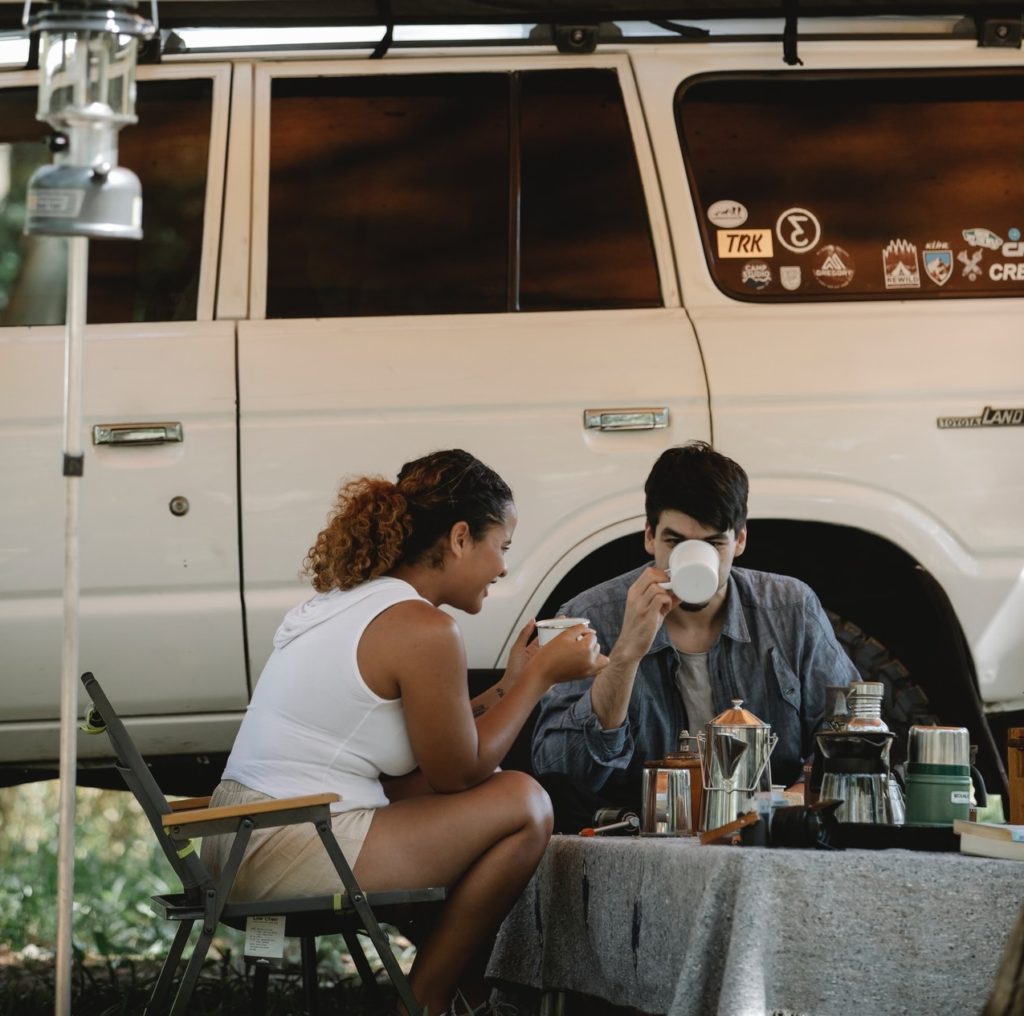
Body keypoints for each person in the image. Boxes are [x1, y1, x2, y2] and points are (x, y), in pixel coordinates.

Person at [202, 449, 603, 1016]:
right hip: (285, 844)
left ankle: (466, 986)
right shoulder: (425, 627)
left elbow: (442, 741)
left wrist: (510, 682)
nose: (504, 568)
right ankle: (430, 1000)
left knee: (435, 795)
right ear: (461, 537)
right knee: (525, 803)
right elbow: (460, 771)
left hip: (237, 838)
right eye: (503, 546)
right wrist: (538, 679)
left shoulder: (352, 602)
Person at [531, 441, 858, 831]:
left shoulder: (790, 609)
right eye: (676, 542)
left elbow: (853, 730)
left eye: (714, 543)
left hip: (769, 836)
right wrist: (625, 656)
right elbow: (558, 770)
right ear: (650, 536)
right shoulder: (594, 616)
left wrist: (802, 793)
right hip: (639, 841)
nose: (694, 559)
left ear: (739, 541)